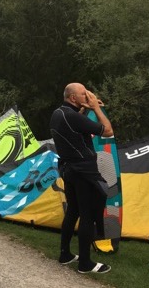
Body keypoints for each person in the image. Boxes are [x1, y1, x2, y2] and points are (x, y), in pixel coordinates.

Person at [49, 83, 114, 274]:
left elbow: (76, 127)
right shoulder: (72, 116)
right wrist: (96, 108)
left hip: (69, 169)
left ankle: (65, 254)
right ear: (72, 98)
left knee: (73, 212)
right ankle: (85, 263)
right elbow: (108, 131)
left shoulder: (59, 114)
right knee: (88, 216)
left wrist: (85, 107)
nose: (88, 96)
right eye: (84, 94)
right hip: (84, 171)